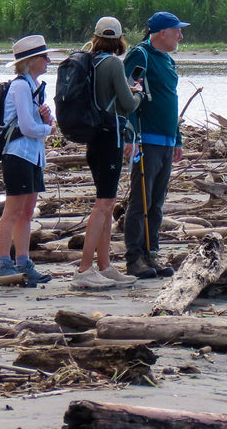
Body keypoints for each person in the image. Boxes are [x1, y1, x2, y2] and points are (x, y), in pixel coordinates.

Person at [71, 17, 143, 290]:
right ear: (120, 40)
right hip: (109, 137)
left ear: (97, 37)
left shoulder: (90, 61)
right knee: (103, 204)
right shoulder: (113, 63)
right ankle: (84, 269)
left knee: (108, 202)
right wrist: (138, 92)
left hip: (95, 138)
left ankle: (104, 265)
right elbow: (127, 103)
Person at [123, 11, 189, 278]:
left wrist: (178, 139)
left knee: (157, 203)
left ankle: (152, 253)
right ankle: (134, 258)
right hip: (145, 141)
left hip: (166, 141)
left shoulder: (168, 61)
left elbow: (170, 101)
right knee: (140, 201)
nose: (180, 36)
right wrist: (132, 137)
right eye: (177, 30)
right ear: (161, 32)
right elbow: (128, 95)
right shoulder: (142, 55)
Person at [0, 34, 55, 285]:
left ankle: (23, 261)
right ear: (32, 61)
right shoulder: (20, 86)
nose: (48, 61)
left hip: (32, 155)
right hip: (18, 154)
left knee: (27, 211)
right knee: (13, 210)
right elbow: (28, 127)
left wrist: (46, 120)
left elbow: (35, 125)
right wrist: (48, 129)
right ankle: (3, 264)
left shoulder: (35, 87)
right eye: (44, 57)